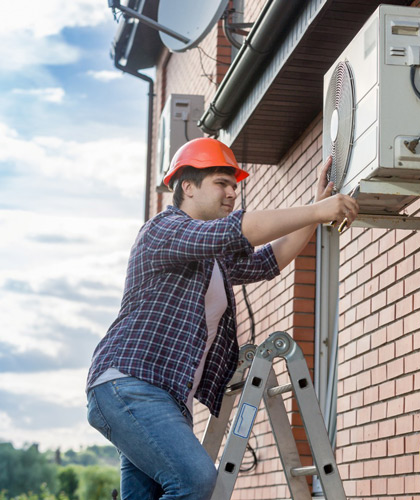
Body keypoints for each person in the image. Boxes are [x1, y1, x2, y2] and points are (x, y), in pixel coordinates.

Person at [86, 137, 359, 500]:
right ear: (187, 186)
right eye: (221, 183)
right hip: (130, 386)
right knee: (198, 482)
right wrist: (316, 211)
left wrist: (315, 208)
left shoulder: (209, 259)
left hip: (164, 397)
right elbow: (236, 230)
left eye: (235, 185)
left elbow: (268, 261)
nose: (233, 192)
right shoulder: (163, 230)